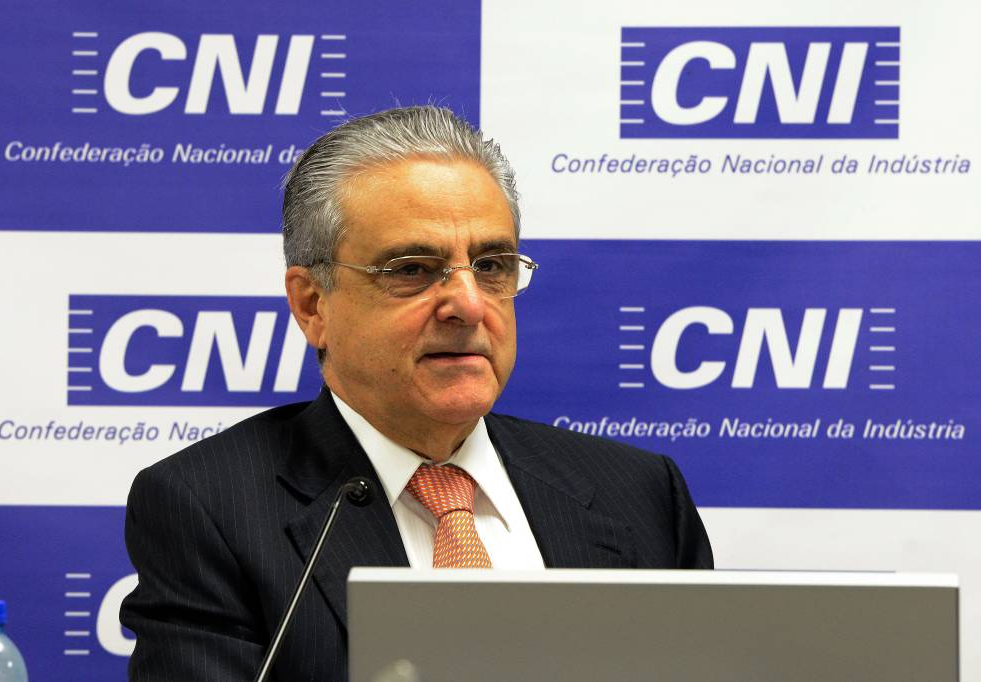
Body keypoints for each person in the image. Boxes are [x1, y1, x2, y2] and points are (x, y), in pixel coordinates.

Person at [120, 106, 712, 680]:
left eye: (492, 265)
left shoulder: (639, 492)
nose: (468, 305)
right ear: (312, 305)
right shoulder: (210, 508)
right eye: (412, 270)